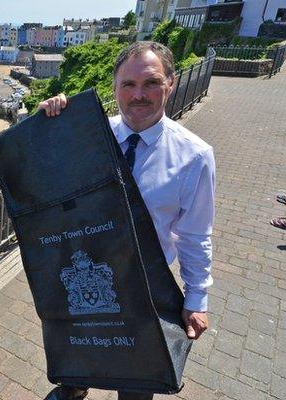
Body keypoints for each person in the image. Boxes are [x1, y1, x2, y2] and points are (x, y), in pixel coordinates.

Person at [37, 41, 216, 400]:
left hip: (144, 287)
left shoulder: (195, 157)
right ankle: (75, 385)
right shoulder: (87, 136)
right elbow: (44, 179)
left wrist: (196, 298)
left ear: (171, 83)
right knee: (80, 354)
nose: (138, 95)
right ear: (115, 87)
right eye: (128, 85)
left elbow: (195, 235)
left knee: (137, 384)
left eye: (151, 83)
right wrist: (47, 123)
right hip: (87, 273)